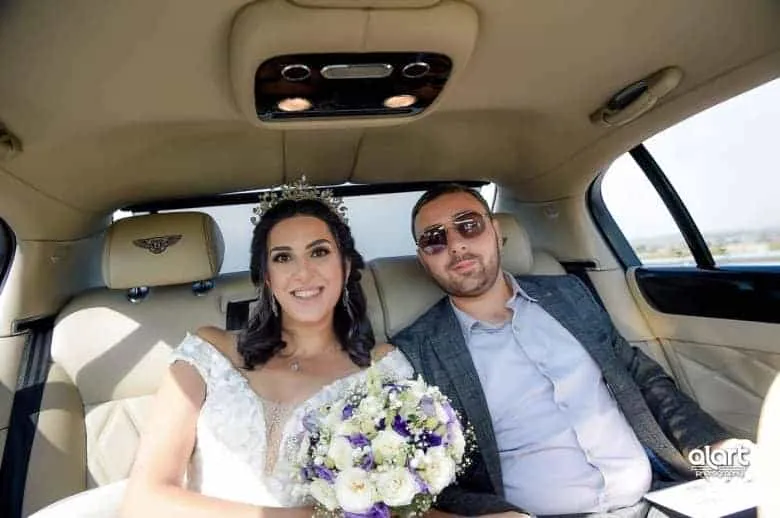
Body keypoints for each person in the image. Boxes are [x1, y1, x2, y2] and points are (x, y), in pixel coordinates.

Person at [30, 178, 416, 518]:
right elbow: (144, 500)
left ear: (345, 267)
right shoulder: (207, 353)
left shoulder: (381, 368)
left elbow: (394, 502)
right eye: (283, 257)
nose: (303, 273)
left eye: (319, 252)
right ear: (267, 278)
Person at [391, 184, 756, 518]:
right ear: (423, 259)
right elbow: (430, 479)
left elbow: (646, 381)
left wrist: (716, 450)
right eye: (434, 239)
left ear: (497, 233)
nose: (456, 245)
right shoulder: (415, 352)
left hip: (658, 497)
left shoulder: (569, 295)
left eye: (469, 225)